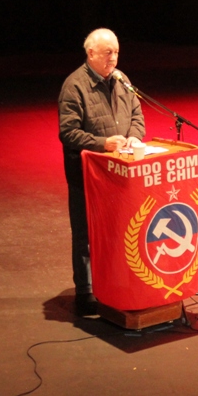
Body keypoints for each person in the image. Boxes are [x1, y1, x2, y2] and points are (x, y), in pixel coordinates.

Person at [58, 28, 145, 316]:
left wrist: (134, 136)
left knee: (119, 231)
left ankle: (116, 284)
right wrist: (102, 144)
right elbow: (68, 132)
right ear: (91, 54)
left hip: (121, 173)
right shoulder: (74, 86)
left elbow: (137, 114)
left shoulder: (122, 80)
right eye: (108, 52)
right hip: (87, 174)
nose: (114, 58)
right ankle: (85, 292)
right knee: (85, 233)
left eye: (117, 52)